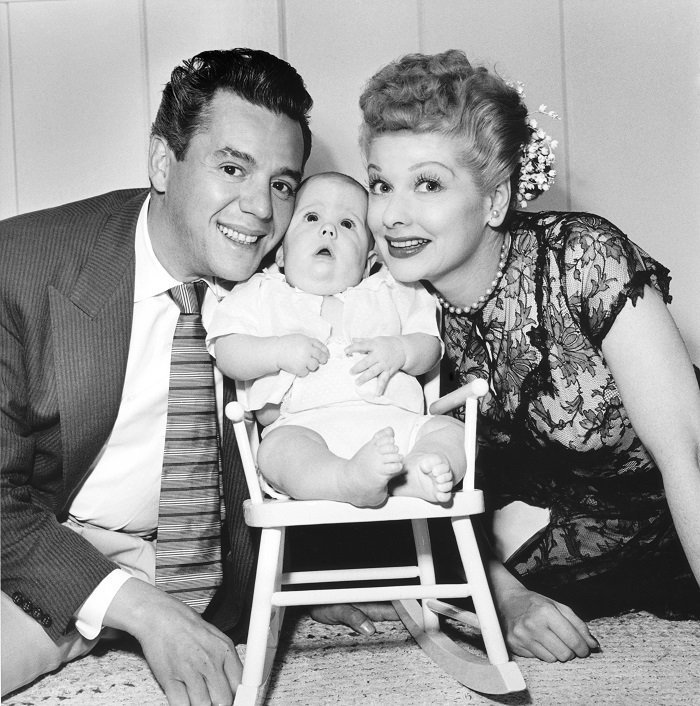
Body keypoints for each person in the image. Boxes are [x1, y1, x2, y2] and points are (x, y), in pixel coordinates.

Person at [350, 49, 700, 662]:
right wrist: (507, 600)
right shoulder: (391, 310)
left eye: (427, 183)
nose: (391, 214)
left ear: (493, 201)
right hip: (586, 544)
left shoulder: (582, 259)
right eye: (381, 183)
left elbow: (688, 457)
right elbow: (412, 502)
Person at [1, 47, 313, 705]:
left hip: (194, 563)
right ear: (162, 163)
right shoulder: (18, 270)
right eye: (232, 168)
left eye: (282, 184)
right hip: (41, 543)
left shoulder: (299, 285)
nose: (260, 210)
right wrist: (140, 609)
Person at [208, 171, 466, 507]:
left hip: (399, 427)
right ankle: (346, 480)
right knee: (277, 453)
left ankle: (414, 472)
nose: (328, 229)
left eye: (347, 224)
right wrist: (276, 351)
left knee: (453, 434)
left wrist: (400, 350)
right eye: (312, 217)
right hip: (303, 427)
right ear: (282, 255)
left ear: (369, 262)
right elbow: (228, 350)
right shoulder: (263, 292)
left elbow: (430, 347)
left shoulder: (392, 290)